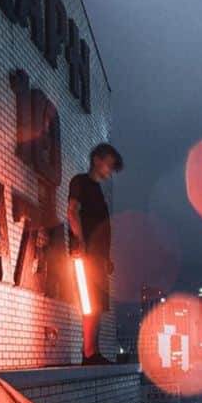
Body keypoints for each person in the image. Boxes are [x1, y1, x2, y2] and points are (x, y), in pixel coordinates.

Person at [67, 143, 123, 365]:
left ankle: (93, 351)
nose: (110, 170)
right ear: (97, 160)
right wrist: (80, 242)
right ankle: (89, 353)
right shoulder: (80, 181)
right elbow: (72, 211)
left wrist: (106, 258)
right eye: (109, 164)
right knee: (89, 303)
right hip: (86, 254)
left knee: (97, 304)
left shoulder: (99, 192)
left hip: (98, 258)